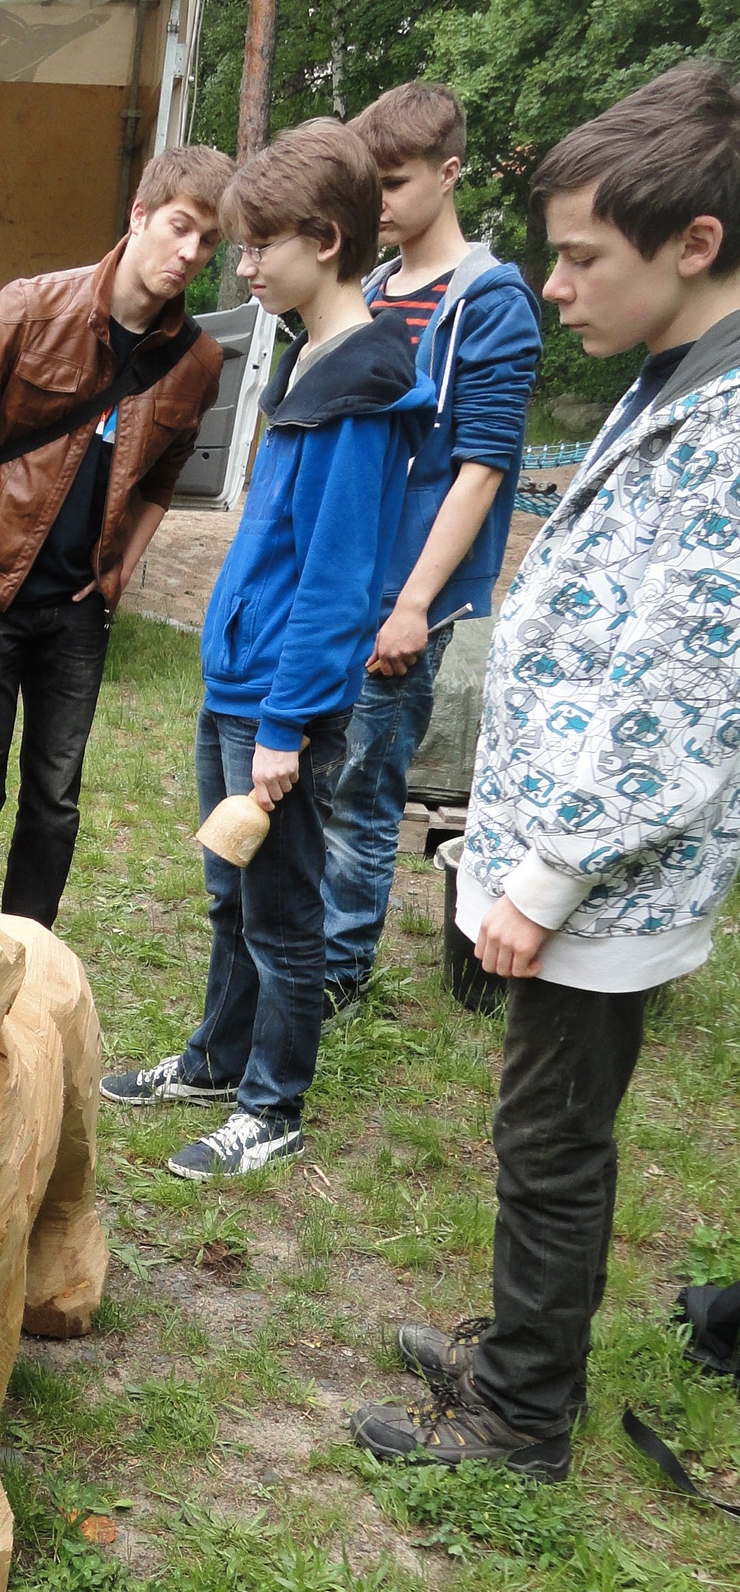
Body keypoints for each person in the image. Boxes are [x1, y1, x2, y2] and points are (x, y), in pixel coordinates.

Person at [355, 62, 740, 1484]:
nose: (555, 285)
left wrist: (550, 874)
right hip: (576, 865)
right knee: (544, 1127)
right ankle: (521, 1354)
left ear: (694, 243)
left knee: (551, 1141)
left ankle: (521, 1418)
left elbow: (681, 705)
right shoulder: (671, 382)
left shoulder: (728, 433)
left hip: (601, 878)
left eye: (582, 257)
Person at [101, 120, 435, 1178]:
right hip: (237, 687)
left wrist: (287, 728)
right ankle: (215, 1061)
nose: (240, 267)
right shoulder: (309, 357)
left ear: (325, 242)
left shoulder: (364, 388)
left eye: (256, 247)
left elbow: (336, 586)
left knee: (283, 916)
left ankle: (271, 1106)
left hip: (278, 709)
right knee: (229, 895)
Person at [0, 144, 232, 924]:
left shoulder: (198, 362)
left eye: (208, 241)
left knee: (56, 794)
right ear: (139, 215)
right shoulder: (29, 309)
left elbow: (162, 479)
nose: (190, 252)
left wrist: (119, 572)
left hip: (76, 612)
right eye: (179, 227)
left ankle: (26, 948)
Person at [319, 82, 541, 1013]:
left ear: (450, 174)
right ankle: (304, 949)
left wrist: (415, 605)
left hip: (411, 593)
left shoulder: (492, 302)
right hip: (345, 580)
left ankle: (338, 975)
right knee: (322, 769)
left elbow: (484, 469)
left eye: (394, 183)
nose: (376, 203)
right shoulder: (371, 291)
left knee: (366, 786)